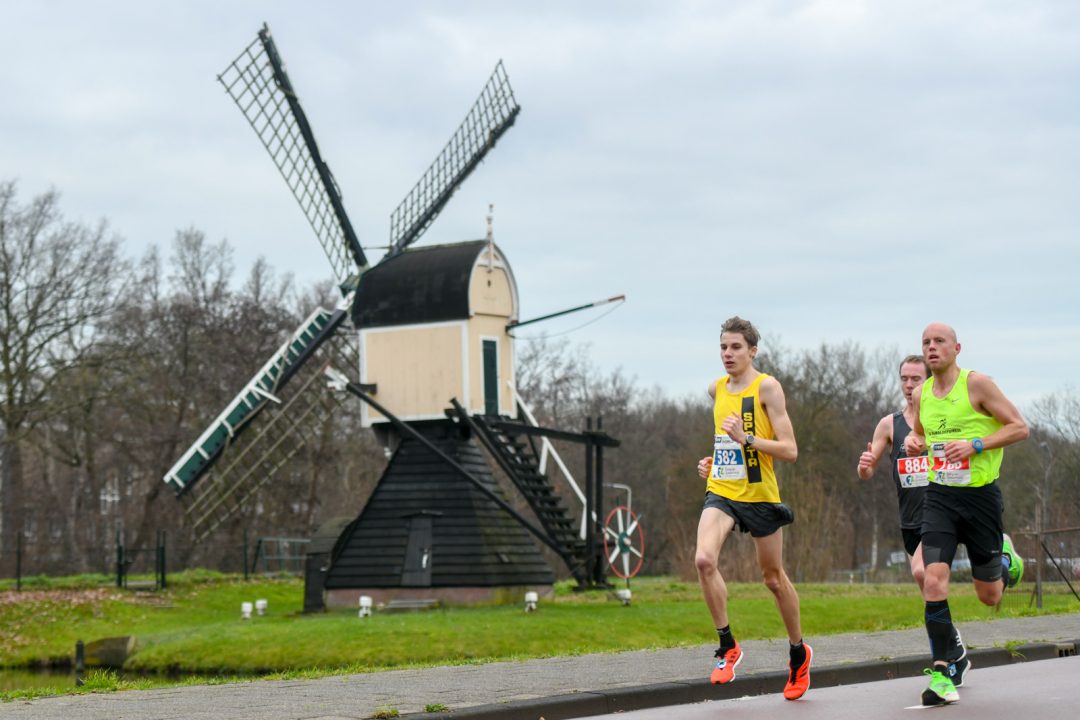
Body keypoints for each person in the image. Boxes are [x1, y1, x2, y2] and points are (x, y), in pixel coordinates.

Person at [903, 322, 1028, 706]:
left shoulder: (978, 385)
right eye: (926, 342)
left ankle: (1006, 560)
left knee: (989, 595)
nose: (932, 347)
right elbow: (923, 437)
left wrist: (976, 444)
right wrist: (915, 444)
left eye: (939, 341)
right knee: (933, 580)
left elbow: (1019, 427)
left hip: (981, 499)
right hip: (940, 497)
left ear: (957, 348)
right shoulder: (923, 393)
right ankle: (943, 672)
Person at [694, 316, 811, 701]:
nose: (728, 354)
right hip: (722, 491)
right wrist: (713, 462)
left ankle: (798, 652)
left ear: (752, 351)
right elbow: (723, 443)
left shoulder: (768, 388)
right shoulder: (716, 389)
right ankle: (727, 646)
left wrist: (746, 438)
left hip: (760, 495)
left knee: (773, 579)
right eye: (723, 348)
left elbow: (790, 450)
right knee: (704, 561)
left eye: (736, 348)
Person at [857, 354, 969, 685]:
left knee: (923, 572)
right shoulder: (889, 424)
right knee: (927, 588)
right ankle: (955, 650)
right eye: (904, 379)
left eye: (915, 379)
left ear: (929, 380)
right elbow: (868, 467)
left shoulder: (942, 418)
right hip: (909, 520)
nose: (909, 386)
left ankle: (946, 660)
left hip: (940, 514)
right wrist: (865, 465)